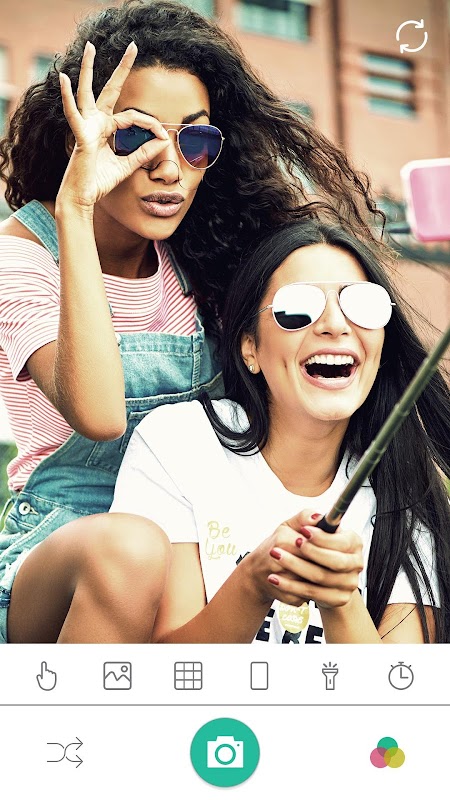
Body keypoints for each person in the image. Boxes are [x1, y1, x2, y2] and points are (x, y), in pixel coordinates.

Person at [0, 0, 385, 644]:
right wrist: (76, 208)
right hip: (73, 548)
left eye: (195, 140)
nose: (169, 167)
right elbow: (100, 415)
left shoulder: (202, 254)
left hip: (201, 544)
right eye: (133, 138)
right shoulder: (21, 258)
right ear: (80, 138)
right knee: (133, 548)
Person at [109, 221, 450, 644]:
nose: (335, 325)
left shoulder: (406, 491)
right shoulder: (179, 444)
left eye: (363, 305)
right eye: (297, 307)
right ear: (249, 348)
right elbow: (168, 668)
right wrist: (253, 583)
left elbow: (397, 687)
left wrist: (341, 600)